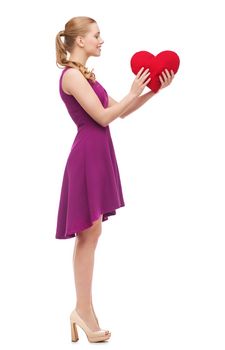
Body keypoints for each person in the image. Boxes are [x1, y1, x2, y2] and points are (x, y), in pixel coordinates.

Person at [55, 16, 174, 343]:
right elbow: (103, 116)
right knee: (87, 233)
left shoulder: (86, 77)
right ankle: (83, 310)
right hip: (86, 157)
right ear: (80, 41)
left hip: (97, 154)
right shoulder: (71, 77)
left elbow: (120, 111)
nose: (101, 40)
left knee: (92, 233)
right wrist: (134, 89)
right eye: (96, 35)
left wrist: (152, 91)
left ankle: (84, 310)